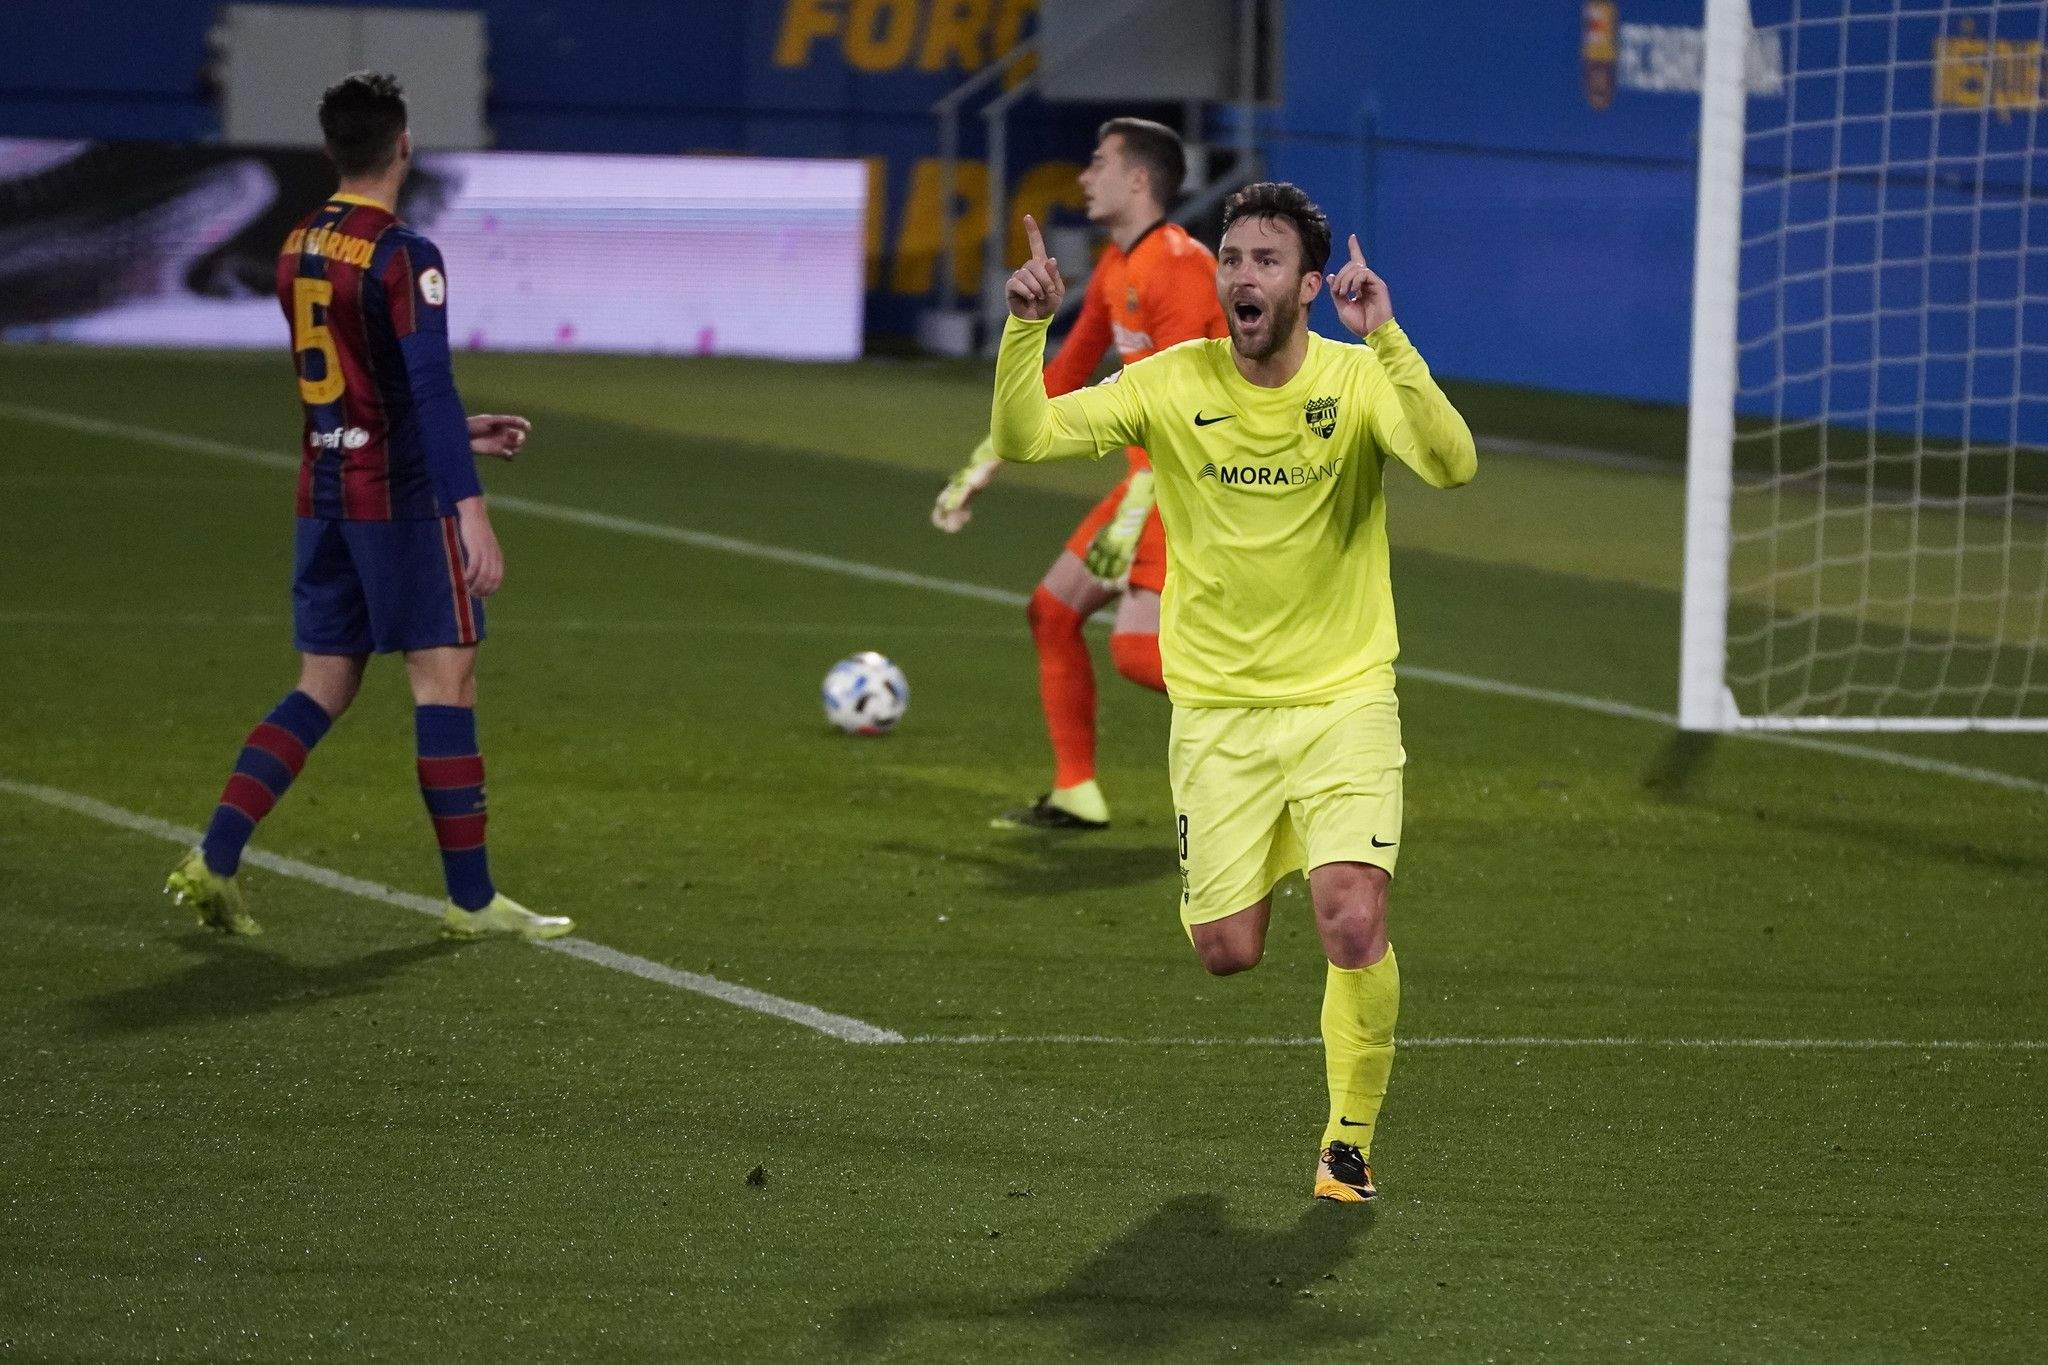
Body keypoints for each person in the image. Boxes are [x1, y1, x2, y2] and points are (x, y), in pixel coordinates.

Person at [989, 185, 1476, 1202]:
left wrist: (1389, 341)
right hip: (1217, 712)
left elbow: (1451, 464)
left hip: (1342, 698)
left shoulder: (1356, 377)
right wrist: (1026, 327)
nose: (1241, 276)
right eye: (1231, 258)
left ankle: (1347, 1144)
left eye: (1265, 260)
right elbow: (1029, 437)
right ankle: (1261, 873)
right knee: (1226, 950)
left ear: (1309, 285)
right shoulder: (1171, 381)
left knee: (1350, 916)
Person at [164, 72, 570, 943]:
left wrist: (458, 434)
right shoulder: (402, 254)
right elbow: (426, 382)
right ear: (404, 145)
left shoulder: (299, 242)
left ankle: (213, 858)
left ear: (329, 149)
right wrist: (470, 507)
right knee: (446, 679)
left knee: (322, 685)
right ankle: (472, 900)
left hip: (324, 489)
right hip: (397, 499)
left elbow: (356, 387)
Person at [932, 118, 1227, 831]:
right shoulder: (1116, 267)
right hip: (1151, 482)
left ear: (1138, 179)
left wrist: (1133, 516)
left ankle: (1274, 713)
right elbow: (1062, 378)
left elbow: (1190, 406)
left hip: (1198, 486)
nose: (1085, 177)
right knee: (1053, 611)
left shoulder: (1181, 268)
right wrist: (985, 460)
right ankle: (1077, 791)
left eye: (1099, 163)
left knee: (1135, 651)